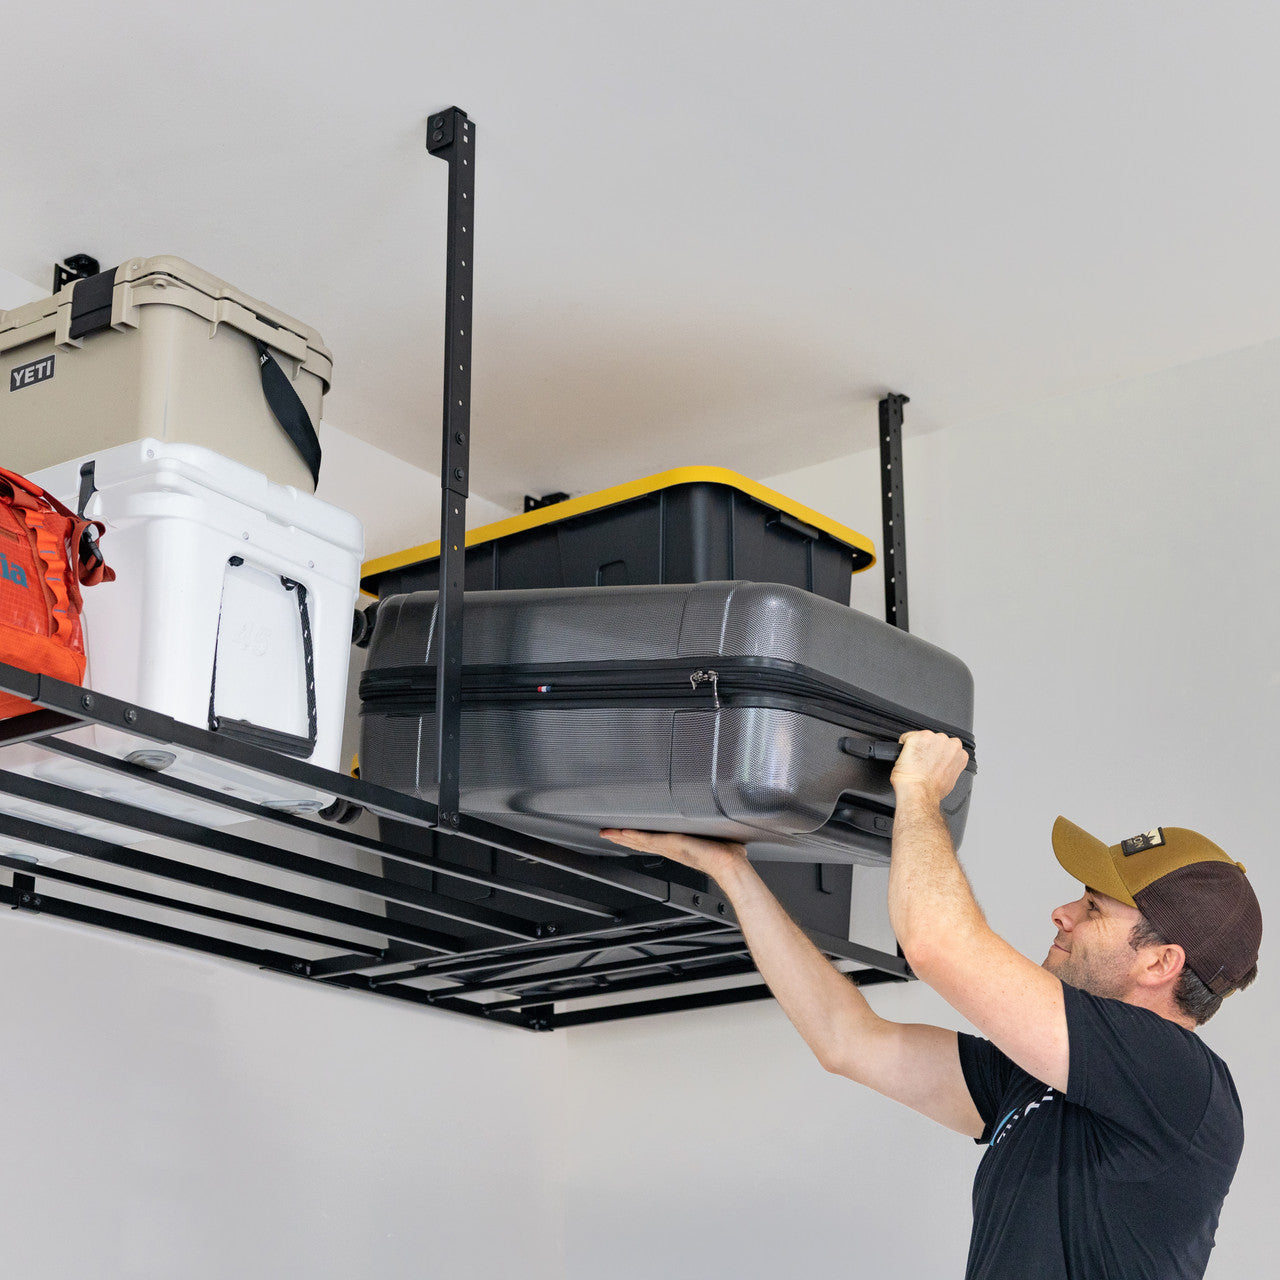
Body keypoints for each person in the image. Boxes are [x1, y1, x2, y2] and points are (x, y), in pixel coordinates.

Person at [601, 729, 1262, 1280]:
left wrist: (919, 793)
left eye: (1091, 909)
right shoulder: (1045, 1080)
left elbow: (936, 944)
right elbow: (847, 1039)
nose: (1060, 912)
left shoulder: (1179, 1083)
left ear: (1160, 962)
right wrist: (734, 873)